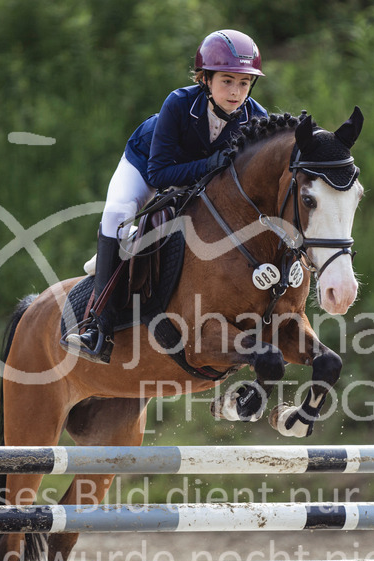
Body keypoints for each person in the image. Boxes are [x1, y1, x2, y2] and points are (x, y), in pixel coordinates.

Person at [65, 29, 269, 363]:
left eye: (244, 83)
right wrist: (209, 164)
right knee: (116, 213)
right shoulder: (177, 103)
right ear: (205, 79)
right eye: (227, 81)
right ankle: (96, 327)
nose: (236, 92)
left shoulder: (256, 119)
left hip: (197, 181)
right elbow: (159, 175)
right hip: (147, 164)